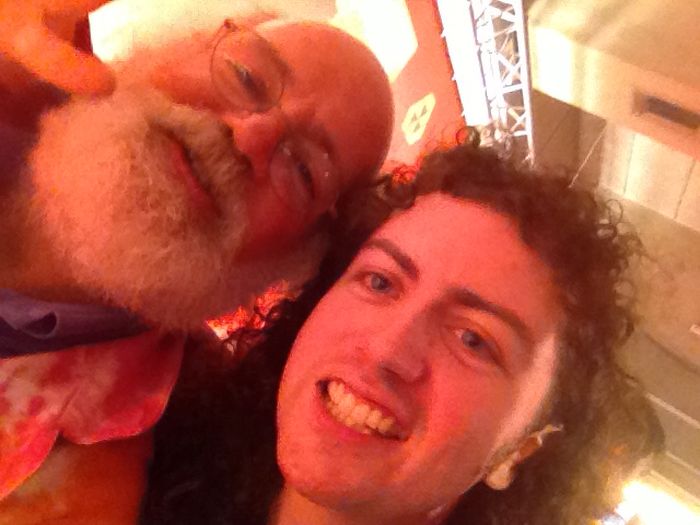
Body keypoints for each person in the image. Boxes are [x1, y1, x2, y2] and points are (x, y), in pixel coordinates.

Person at [141, 141, 664, 525]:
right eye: (380, 281)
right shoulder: (137, 439)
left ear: (520, 450)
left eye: (473, 339)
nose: (387, 349)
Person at [0, 0, 393, 500]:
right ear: (182, 46)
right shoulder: (15, 51)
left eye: (304, 172)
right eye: (247, 77)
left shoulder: (152, 463)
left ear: (293, 264)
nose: (250, 135)